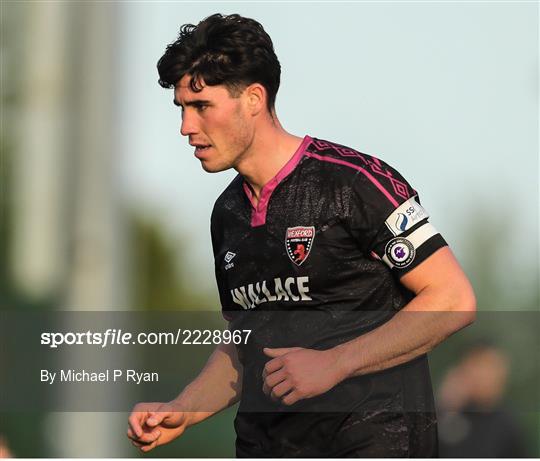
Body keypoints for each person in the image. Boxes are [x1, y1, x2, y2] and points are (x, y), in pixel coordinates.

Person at [127, 13, 476, 457]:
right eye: (181, 108)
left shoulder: (353, 183)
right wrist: (184, 408)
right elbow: (244, 342)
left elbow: (452, 300)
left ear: (253, 98)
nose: (186, 127)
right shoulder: (227, 214)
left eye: (201, 106)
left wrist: (335, 363)